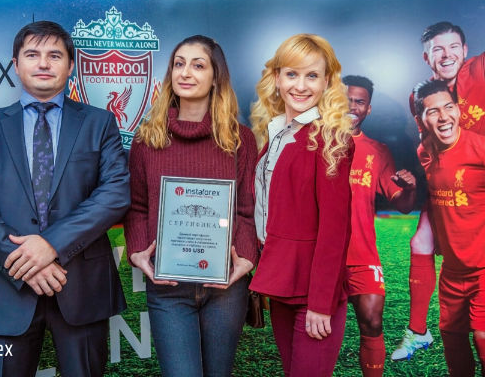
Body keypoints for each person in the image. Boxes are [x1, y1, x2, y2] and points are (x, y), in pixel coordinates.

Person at [0, 21, 130, 376]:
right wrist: (22, 260)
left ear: (71, 65)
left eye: (55, 55)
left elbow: (115, 193)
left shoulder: (100, 123)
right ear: (16, 64)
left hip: (81, 287)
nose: (44, 63)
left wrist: (50, 245)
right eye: (32, 54)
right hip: (6, 289)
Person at [124, 35, 258, 377]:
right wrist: (138, 251)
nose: (185, 73)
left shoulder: (240, 140)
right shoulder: (147, 139)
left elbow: (247, 209)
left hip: (226, 287)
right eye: (179, 64)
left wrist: (245, 258)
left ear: (216, 77)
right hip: (167, 289)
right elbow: (137, 207)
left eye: (198, 65)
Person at [248, 34, 354, 376]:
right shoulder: (275, 132)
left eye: (312, 75)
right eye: (292, 74)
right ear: (277, 78)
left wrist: (321, 303)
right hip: (281, 282)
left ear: (327, 81)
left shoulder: (331, 138)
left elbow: (335, 230)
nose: (301, 85)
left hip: (314, 292)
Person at [393, 21, 485, 360]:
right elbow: (428, 144)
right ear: (426, 57)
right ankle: (418, 331)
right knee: (420, 242)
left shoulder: (478, 71)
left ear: (465, 50)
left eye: (453, 47)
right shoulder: (419, 95)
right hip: (451, 177)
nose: (447, 55)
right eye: (438, 50)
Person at [343, 75, 416, 375]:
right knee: (318, 327)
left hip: (362, 254)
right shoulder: (314, 144)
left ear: (368, 108)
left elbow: (403, 204)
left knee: (372, 322)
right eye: (346, 100)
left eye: (359, 102)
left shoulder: (377, 150)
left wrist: (409, 188)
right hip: (322, 255)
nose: (352, 106)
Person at [412, 79, 485, 376]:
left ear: (458, 109)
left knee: (482, 337)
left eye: (449, 107)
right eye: (433, 111)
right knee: (453, 343)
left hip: (483, 270)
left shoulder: (480, 148)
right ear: (421, 120)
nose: (443, 117)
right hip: (452, 273)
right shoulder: (425, 151)